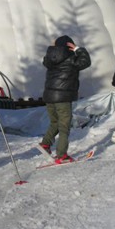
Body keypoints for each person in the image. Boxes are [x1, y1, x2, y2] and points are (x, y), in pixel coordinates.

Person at [39, 35, 91, 164]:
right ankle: (62, 155)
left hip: (49, 96)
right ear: (70, 46)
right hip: (63, 97)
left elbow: (47, 58)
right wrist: (78, 49)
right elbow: (86, 62)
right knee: (64, 126)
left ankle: (45, 144)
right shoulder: (71, 59)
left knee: (55, 122)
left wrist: (54, 47)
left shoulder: (50, 59)